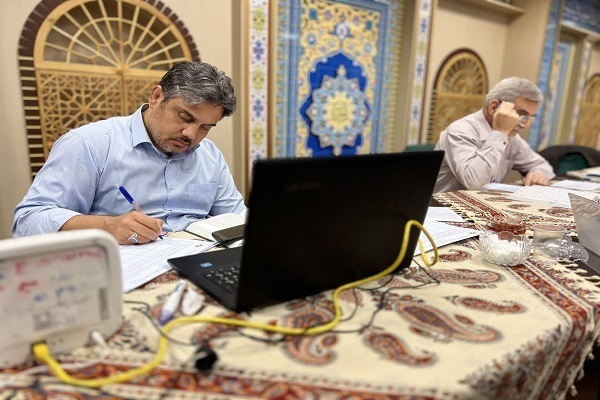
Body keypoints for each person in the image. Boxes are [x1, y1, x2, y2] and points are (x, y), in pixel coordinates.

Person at [13, 61, 246, 245]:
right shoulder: (90, 144)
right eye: (185, 117)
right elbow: (28, 221)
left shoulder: (209, 155)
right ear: (156, 97)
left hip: (198, 262)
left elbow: (238, 218)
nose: (191, 135)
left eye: (205, 127)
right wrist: (107, 227)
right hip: (123, 267)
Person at [433, 76, 555, 193]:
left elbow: (542, 165)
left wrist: (538, 174)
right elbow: (474, 184)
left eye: (530, 118)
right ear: (494, 107)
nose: (526, 125)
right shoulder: (459, 131)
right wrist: (499, 132)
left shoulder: (512, 138)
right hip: (443, 205)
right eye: (522, 116)